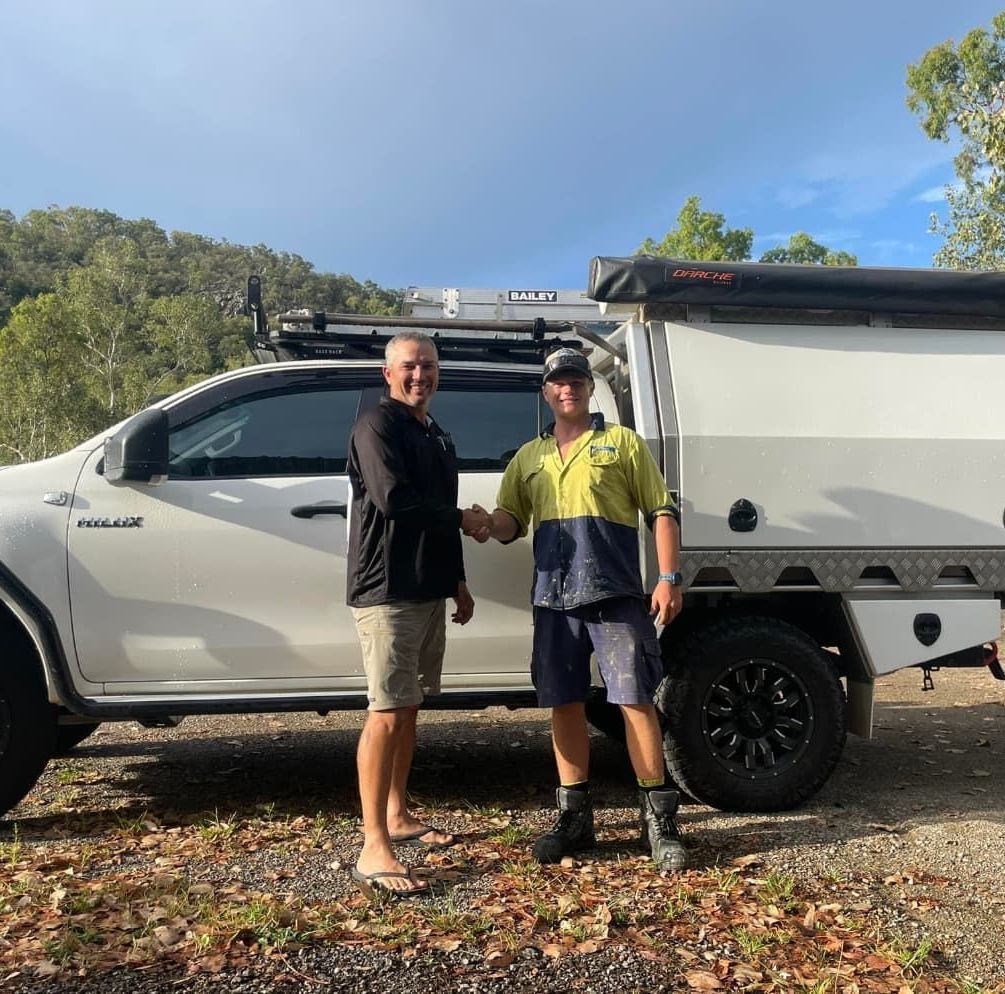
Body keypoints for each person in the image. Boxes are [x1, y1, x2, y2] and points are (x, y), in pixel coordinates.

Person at [469, 347, 690, 871]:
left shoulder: (621, 444)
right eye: (557, 382)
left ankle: (659, 821)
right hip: (553, 599)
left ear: (589, 389)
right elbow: (510, 523)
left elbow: (661, 510)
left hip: (615, 594)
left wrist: (667, 578)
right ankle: (575, 818)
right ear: (546, 393)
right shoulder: (529, 457)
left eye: (575, 380)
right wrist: (483, 522)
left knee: (634, 700)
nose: (566, 388)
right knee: (563, 703)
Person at [346, 331, 490, 899]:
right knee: (384, 711)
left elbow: (435, 513)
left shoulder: (436, 432)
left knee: (408, 708)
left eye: (428, 366)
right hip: (387, 590)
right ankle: (372, 843)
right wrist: (463, 520)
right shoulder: (376, 426)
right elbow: (393, 501)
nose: (419, 375)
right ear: (388, 373)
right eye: (409, 366)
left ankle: (399, 814)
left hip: (428, 590)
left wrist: (458, 582)